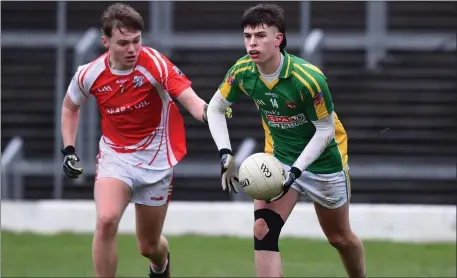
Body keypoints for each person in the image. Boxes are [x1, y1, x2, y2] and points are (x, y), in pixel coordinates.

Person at [60, 3, 230, 278]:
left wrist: (211, 113)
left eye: (136, 41)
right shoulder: (89, 73)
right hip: (115, 157)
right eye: (123, 42)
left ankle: (160, 265)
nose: (132, 49)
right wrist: (68, 149)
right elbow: (70, 107)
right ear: (106, 42)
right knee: (105, 221)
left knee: (149, 246)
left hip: (156, 161)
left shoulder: (153, 63)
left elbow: (190, 99)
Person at [206, 3, 366, 278]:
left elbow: (325, 131)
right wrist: (225, 153)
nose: (252, 43)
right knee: (263, 230)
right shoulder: (243, 71)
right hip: (278, 158)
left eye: (260, 35)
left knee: (339, 237)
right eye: (247, 36)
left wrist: (297, 171)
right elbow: (215, 107)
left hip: (324, 160)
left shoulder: (309, 79)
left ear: (278, 38)